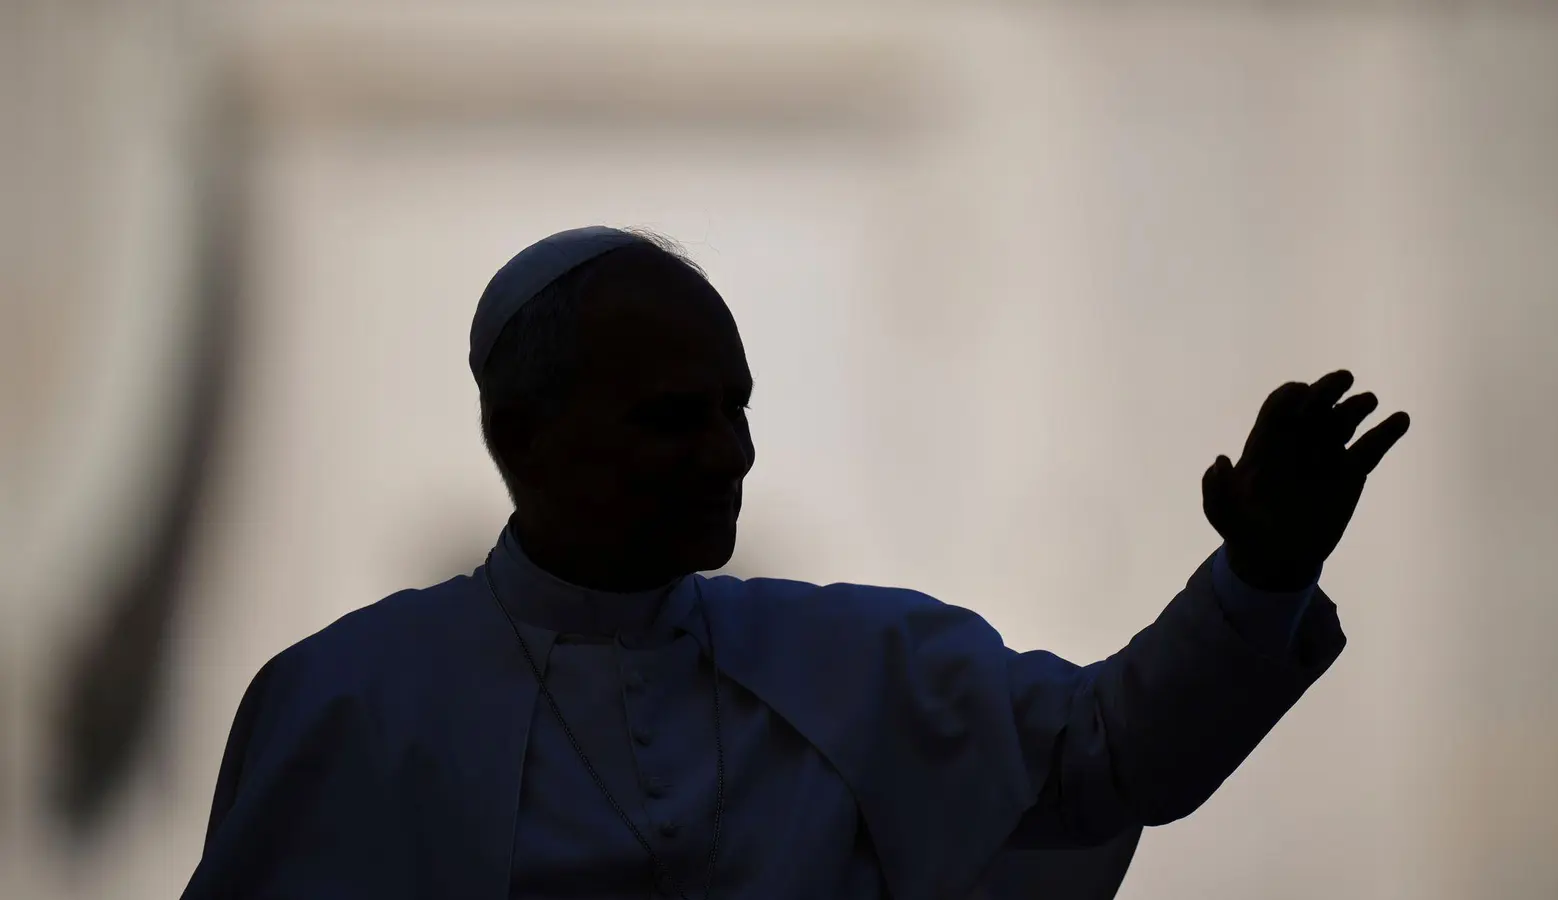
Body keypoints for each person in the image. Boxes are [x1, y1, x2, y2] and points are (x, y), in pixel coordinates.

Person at [181, 226, 1410, 900]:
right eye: (676, 416)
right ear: (525, 435)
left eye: (739, 407)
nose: (732, 452)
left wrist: (1260, 570)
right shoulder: (346, 704)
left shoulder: (859, 659)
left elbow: (1115, 755)